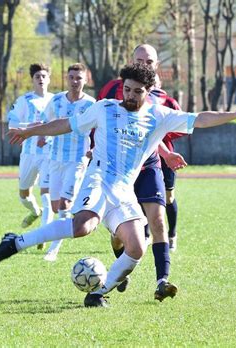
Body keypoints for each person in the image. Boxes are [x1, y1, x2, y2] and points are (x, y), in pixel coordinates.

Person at [0, 63, 236, 308]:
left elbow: (201, 118)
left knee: (136, 247)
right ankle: (16, 242)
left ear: (149, 91)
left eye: (137, 92)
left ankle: (98, 293)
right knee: (83, 226)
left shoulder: (159, 115)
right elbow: (66, 125)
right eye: (127, 90)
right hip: (97, 178)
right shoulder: (104, 108)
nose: (130, 96)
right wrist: (30, 131)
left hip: (123, 191)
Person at [97, 44, 186, 301]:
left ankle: (162, 281)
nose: (145, 64)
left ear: (156, 65)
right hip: (120, 170)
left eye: (149, 61)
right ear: (131, 60)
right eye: (140, 59)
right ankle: (121, 269)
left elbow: (153, 131)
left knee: (158, 222)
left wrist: (166, 153)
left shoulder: (159, 97)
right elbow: (102, 122)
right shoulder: (116, 89)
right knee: (119, 238)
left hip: (148, 167)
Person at [42, 63, 96, 261]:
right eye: (72, 77)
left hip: (77, 160)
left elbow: (100, 129)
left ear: (85, 80)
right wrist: (42, 136)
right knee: (56, 207)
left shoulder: (91, 104)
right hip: (55, 159)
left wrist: (94, 149)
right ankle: (85, 214)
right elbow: (46, 123)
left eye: (79, 78)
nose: (75, 81)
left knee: (64, 203)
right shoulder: (56, 101)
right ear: (67, 78)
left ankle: (53, 249)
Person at [7, 63, 54, 229]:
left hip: (49, 155)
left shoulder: (56, 100)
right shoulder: (24, 101)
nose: (41, 79)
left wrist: (46, 134)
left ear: (49, 79)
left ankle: (44, 233)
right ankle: (35, 211)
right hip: (29, 154)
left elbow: (62, 125)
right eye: (37, 76)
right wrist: (33, 127)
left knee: (47, 194)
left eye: (43, 76)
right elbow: (12, 126)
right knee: (24, 195)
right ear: (32, 80)